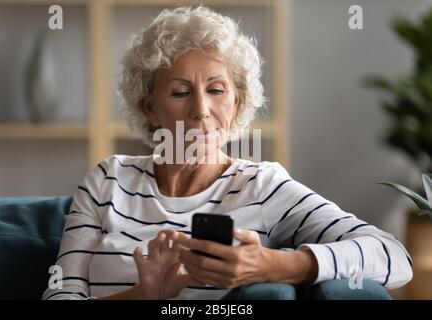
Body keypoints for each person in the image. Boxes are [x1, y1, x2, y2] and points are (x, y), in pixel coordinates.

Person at [42, 6, 412, 300]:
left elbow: (393, 257)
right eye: (180, 92)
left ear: (236, 104)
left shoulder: (262, 186)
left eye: (217, 90)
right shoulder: (108, 180)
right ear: (151, 108)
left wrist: (271, 264)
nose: (201, 110)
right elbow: (61, 294)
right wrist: (144, 295)